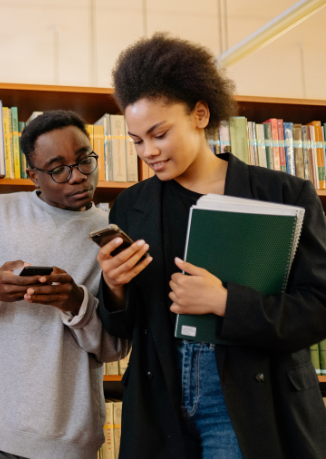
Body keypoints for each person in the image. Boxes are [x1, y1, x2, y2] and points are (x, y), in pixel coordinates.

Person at [96, 33, 326, 459]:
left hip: (251, 399)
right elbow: (120, 329)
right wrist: (113, 287)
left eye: (159, 134)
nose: (148, 151)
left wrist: (225, 302)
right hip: (159, 399)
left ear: (200, 113)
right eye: (137, 140)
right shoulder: (131, 206)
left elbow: (317, 308)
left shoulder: (283, 193)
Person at [0, 110, 130, 459]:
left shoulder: (112, 235)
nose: (77, 177)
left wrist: (76, 303)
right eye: (58, 169)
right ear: (33, 175)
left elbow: (114, 348)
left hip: (66, 438)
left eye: (85, 161)